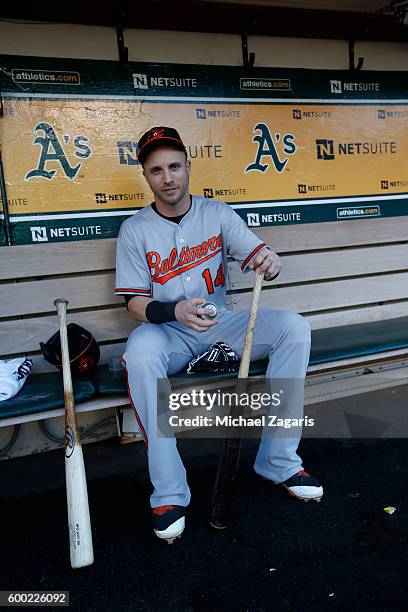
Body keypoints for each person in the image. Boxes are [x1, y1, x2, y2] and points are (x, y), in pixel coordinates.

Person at [115, 126, 323, 543]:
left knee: (294, 329)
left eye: (175, 166)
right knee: (138, 354)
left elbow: (256, 254)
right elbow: (135, 305)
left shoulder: (217, 213)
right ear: (146, 176)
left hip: (219, 326)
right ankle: (170, 492)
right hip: (168, 331)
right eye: (157, 170)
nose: (168, 177)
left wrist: (267, 259)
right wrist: (173, 309)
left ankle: (279, 461)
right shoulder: (134, 230)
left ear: (188, 166)